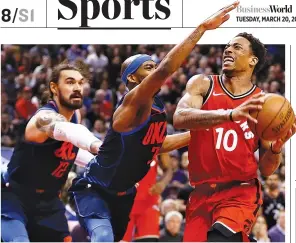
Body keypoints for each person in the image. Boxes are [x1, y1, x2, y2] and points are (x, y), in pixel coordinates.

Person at [69, 2, 240, 242]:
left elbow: (157, 145)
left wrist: (203, 133)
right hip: (95, 188)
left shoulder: (157, 107)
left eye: (154, 66)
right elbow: (166, 68)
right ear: (132, 78)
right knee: (103, 237)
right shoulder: (132, 102)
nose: (155, 70)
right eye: (148, 67)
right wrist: (200, 29)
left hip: (124, 194)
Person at [173, 31, 296, 241]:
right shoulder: (203, 84)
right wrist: (229, 115)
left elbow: (266, 170)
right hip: (201, 193)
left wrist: (276, 149)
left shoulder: (262, 104)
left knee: (218, 239)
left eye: (237, 47)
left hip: (239, 192)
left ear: (252, 60)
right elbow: (180, 117)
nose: (228, 50)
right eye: (227, 46)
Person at [1, 61, 103, 242]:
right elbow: (70, 131)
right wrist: (96, 145)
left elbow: (71, 151)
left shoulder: (75, 116)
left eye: (80, 82)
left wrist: (105, 166)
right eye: (70, 82)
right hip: (15, 197)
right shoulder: (42, 118)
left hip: (48, 201)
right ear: (54, 88)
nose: (78, 87)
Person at [122, 154, 173, 242]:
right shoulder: (120, 141)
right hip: (123, 202)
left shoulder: (158, 142)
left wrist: (162, 183)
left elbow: (168, 169)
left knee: (149, 240)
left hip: (149, 202)